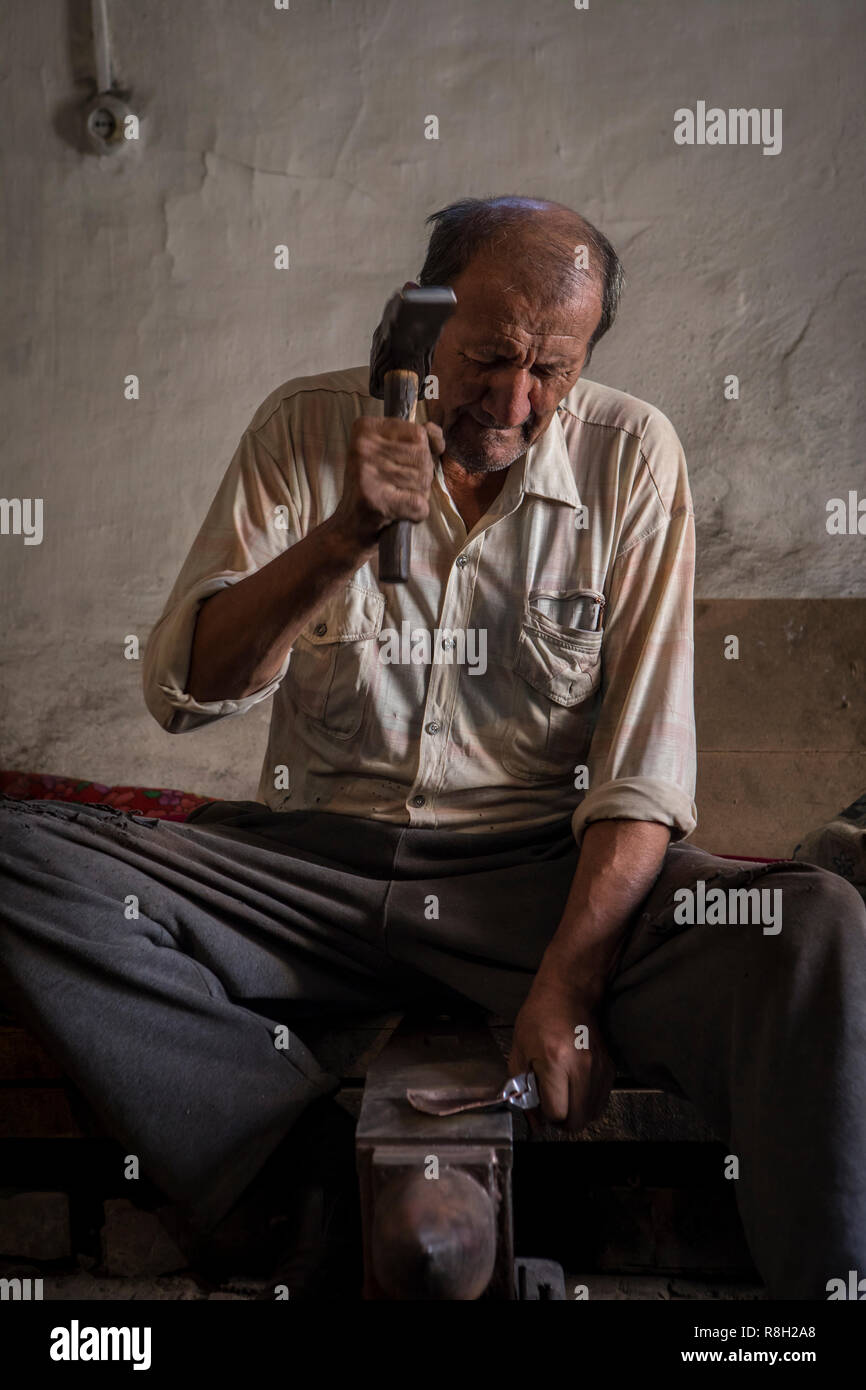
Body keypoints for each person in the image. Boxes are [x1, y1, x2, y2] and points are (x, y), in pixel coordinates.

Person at [1, 197, 863, 1300]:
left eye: (551, 367)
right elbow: (184, 690)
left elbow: (643, 769)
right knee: (20, 855)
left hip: (530, 884)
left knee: (808, 923)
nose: (514, 398)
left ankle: (828, 1293)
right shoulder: (302, 428)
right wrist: (345, 533)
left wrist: (568, 981)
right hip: (306, 876)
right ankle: (288, 1175)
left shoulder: (629, 456)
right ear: (417, 321)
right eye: (488, 356)